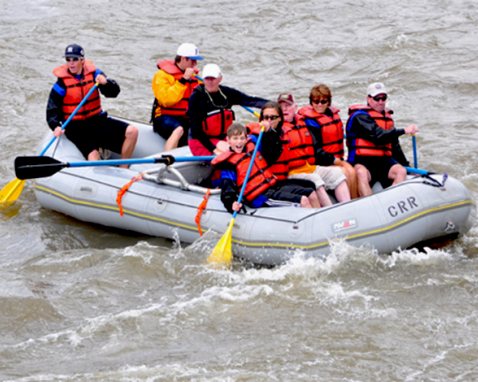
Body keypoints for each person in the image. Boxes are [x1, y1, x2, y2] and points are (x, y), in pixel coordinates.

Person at [46, 44, 138, 167]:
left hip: (97, 121)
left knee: (132, 131)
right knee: (93, 156)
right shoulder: (61, 84)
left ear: (82, 60)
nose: (71, 63)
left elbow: (113, 93)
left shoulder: (95, 75)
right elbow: (52, 110)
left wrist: (106, 83)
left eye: (75, 59)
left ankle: (124, 168)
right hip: (76, 128)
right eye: (68, 59)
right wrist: (55, 126)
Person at [212, 123, 317, 213]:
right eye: (235, 139)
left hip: (272, 186)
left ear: (246, 138)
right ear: (228, 141)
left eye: (242, 138)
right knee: (303, 200)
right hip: (260, 197)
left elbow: (271, 143)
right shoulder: (229, 165)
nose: (239, 142)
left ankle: (321, 223)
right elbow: (227, 189)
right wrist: (231, 204)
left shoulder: (253, 145)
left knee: (311, 192)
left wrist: (269, 130)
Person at [346, 82, 419, 196]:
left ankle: (392, 202)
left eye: (383, 98)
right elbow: (378, 136)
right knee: (361, 173)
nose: (381, 102)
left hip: (383, 161)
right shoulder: (360, 117)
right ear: (369, 99)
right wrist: (404, 131)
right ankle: (370, 205)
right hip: (362, 161)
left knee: (401, 171)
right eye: (377, 98)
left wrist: (407, 167)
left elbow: (395, 146)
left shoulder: (387, 118)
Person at [246, 102, 321, 208]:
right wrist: (268, 133)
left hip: (279, 180)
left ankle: (319, 220)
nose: (269, 121)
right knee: (304, 198)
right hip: (266, 186)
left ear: (280, 119)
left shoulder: (282, 134)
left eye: (273, 117)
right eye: (266, 117)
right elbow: (270, 157)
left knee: (311, 187)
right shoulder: (256, 139)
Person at [187, 63, 269, 156]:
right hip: (200, 141)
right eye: (207, 78)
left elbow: (250, 100)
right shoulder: (196, 98)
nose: (210, 82)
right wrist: (214, 148)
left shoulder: (227, 93)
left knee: (250, 144)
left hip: (223, 139)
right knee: (233, 153)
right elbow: (196, 130)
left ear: (220, 79)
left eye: (213, 78)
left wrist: (273, 106)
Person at [295, 85, 357, 200]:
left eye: (323, 101)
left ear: (328, 102)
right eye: (316, 101)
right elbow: (317, 151)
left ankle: (356, 200)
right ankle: (351, 201)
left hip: (335, 158)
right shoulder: (310, 122)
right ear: (311, 102)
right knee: (347, 172)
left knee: (352, 171)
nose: (319, 104)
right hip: (322, 161)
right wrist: (337, 161)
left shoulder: (332, 115)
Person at [151, 43, 203, 151]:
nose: (195, 63)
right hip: (164, 117)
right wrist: (183, 80)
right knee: (179, 129)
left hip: (185, 117)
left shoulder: (195, 78)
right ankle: (167, 160)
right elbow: (167, 100)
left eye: (196, 61)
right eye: (193, 60)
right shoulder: (162, 75)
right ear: (183, 59)